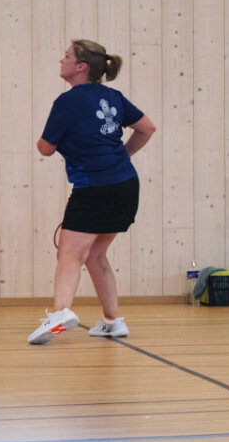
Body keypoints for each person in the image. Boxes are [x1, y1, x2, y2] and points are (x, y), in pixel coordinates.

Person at [30, 40, 157, 344]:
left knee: (70, 253)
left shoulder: (67, 102)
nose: (61, 60)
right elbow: (147, 128)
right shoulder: (113, 96)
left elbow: (45, 148)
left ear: (81, 67)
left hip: (95, 188)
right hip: (126, 186)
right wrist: (123, 155)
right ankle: (112, 321)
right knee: (96, 254)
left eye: (67, 56)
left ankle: (61, 313)